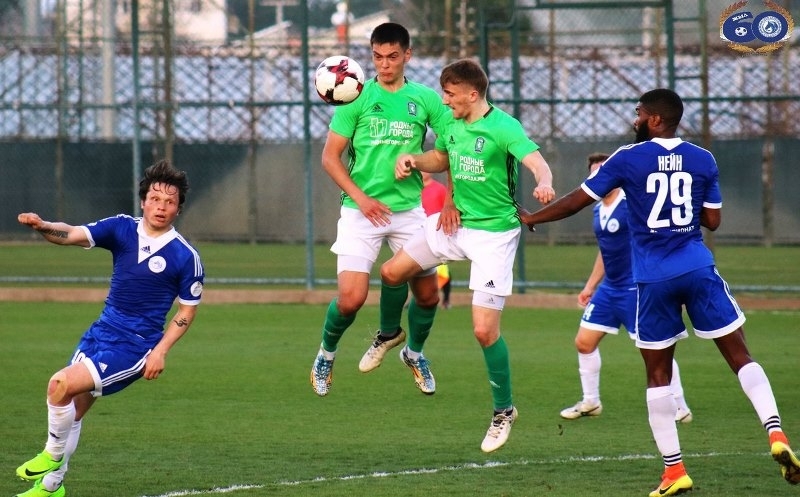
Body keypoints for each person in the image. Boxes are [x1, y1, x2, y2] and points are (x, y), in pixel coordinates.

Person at [519, 88, 800, 496]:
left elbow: (577, 200)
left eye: (639, 112)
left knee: (657, 375)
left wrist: (534, 218)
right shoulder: (703, 159)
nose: (634, 119)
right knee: (741, 356)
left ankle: (674, 471)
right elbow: (714, 221)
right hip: (697, 267)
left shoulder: (627, 158)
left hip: (652, 278)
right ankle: (776, 433)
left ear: (654, 119)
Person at [381, 59, 556, 453]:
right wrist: (414, 159)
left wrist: (544, 182)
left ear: (472, 94)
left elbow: (536, 161)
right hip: (455, 225)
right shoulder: (452, 124)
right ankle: (394, 339)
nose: (444, 101)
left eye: (450, 94)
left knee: (483, 331)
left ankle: (504, 411)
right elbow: (441, 159)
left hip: (493, 235)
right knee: (391, 272)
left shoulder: (504, 126)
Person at [14, 159, 204, 497]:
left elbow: (187, 310)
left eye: (170, 202)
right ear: (143, 201)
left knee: (59, 384)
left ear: (178, 209)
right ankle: (52, 486)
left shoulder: (185, 256)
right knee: (72, 409)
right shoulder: (121, 228)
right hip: (100, 332)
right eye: (155, 199)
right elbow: (71, 234)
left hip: (134, 347)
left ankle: (52, 455)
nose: (161, 207)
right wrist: (43, 226)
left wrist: (160, 351)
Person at [310, 22, 453, 397]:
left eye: (392, 57)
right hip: (361, 212)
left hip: (408, 211)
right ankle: (326, 354)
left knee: (428, 295)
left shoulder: (425, 99)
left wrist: (442, 190)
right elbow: (329, 158)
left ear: (407, 55)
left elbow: (450, 146)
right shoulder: (355, 97)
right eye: (377, 57)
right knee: (351, 300)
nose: (384, 64)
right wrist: (361, 199)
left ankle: (413, 352)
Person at [559, 152, 692, 423]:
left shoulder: (631, 204)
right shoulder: (597, 209)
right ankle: (591, 401)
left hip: (635, 289)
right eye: (594, 173)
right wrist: (590, 286)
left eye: (603, 171)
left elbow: (657, 238)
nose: (599, 177)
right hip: (609, 289)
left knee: (654, 349)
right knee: (584, 343)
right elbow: (605, 252)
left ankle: (680, 406)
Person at [420, 171, 453, 309]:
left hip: (436, 233)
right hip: (419, 232)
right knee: (418, 269)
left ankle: (446, 299)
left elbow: (447, 208)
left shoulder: (439, 189)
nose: (423, 172)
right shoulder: (414, 189)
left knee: (442, 270)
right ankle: (418, 297)